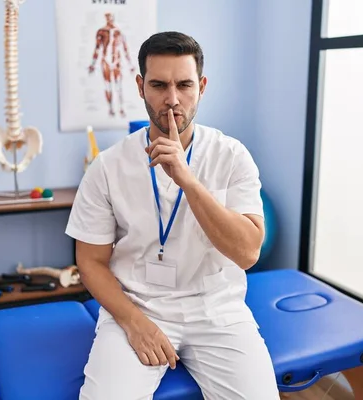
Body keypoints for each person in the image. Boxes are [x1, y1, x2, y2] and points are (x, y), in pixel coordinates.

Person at [67, 31, 280, 400]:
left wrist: (188, 180)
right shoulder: (107, 167)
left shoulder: (231, 156)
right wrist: (133, 323)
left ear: (202, 86)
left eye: (184, 85)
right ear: (140, 86)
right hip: (139, 306)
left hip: (217, 309)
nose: (172, 99)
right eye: (159, 85)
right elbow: (89, 261)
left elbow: (247, 253)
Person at [88, 12, 136, 118]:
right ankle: (110, 108)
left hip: (116, 61)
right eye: (108, 18)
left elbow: (125, 49)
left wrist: (130, 65)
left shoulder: (118, 32)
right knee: (108, 87)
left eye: (111, 18)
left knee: (118, 87)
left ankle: (121, 108)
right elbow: (97, 48)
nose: (110, 20)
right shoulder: (101, 32)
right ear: (106, 19)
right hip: (106, 61)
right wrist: (93, 64)